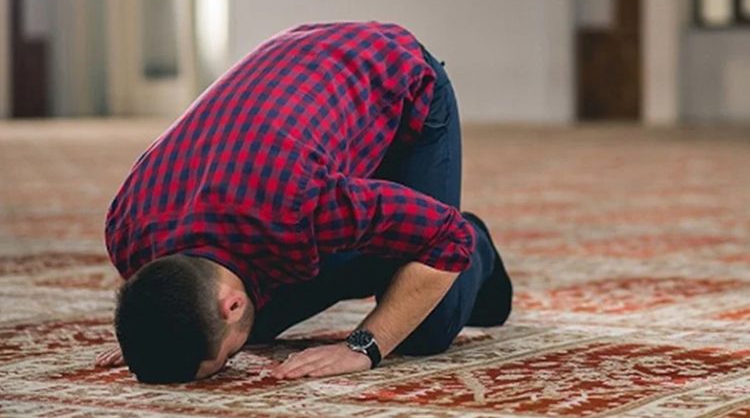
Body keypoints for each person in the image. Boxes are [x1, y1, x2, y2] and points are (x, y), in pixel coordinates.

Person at [95, 21, 513, 383]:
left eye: (225, 362)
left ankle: (477, 244)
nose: (231, 362)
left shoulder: (302, 206)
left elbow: (447, 236)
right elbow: (175, 304)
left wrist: (363, 346)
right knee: (254, 325)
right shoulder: (127, 231)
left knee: (425, 328)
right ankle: (388, 249)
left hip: (395, 73)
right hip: (297, 71)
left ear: (230, 303)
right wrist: (148, 337)